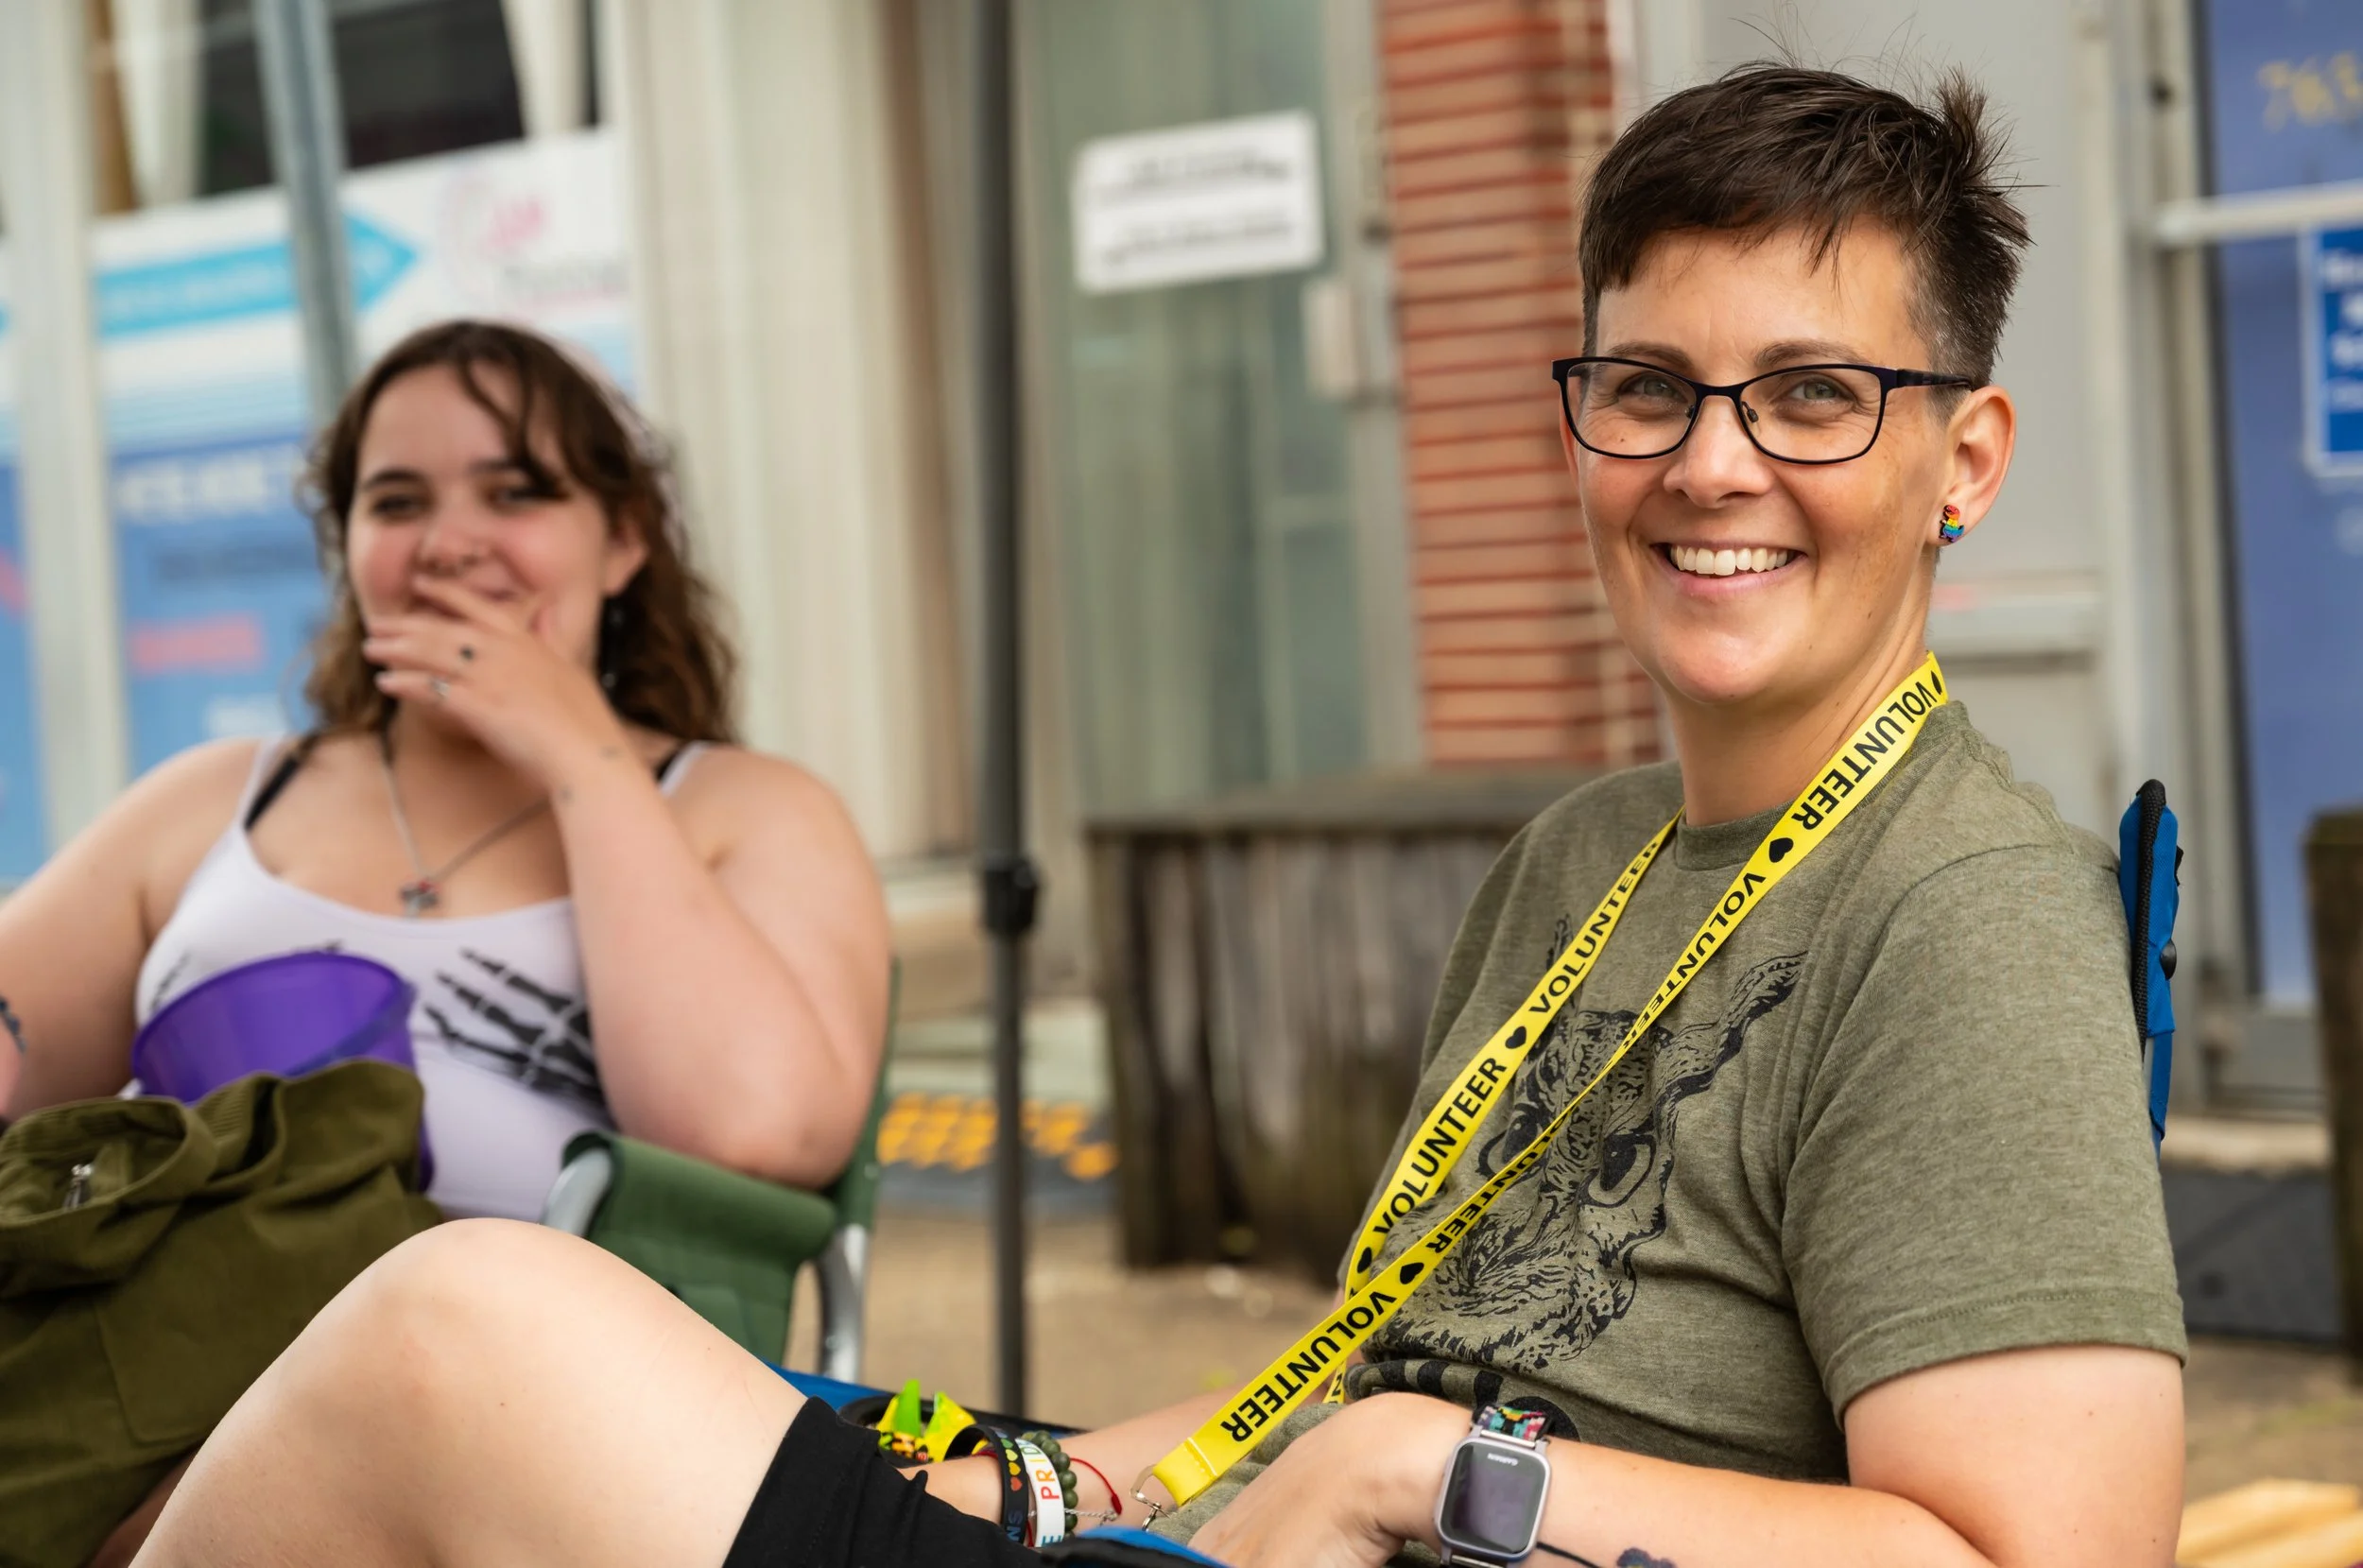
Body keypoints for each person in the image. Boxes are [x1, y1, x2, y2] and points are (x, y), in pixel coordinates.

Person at [131, 63, 2184, 1568]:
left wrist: (1429, 1474)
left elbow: (2040, 1551)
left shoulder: (1965, 909)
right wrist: (1062, 1473)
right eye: (1641, 385)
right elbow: (1375, 1353)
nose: (1708, 462)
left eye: (1811, 394)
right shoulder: (1584, 862)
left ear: (1964, 456)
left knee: (466, 1329)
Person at [0, 319, 891, 1219]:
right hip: (184, 1322)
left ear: (624, 541)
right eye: (396, 503)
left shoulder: (749, 808)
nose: (449, 544)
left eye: (513, 495)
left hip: (520, 1339)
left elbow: (757, 1133)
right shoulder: (221, 795)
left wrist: (583, 755)